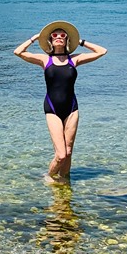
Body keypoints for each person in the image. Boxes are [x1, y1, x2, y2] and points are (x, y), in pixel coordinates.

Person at [14, 20, 107, 181]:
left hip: (72, 108)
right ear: (50, 40)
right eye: (54, 35)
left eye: (62, 35)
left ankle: (64, 182)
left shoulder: (74, 60)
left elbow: (102, 51)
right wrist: (35, 38)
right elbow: (18, 52)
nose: (58, 37)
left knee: (69, 151)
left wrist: (81, 42)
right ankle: (48, 178)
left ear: (66, 40)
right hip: (52, 109)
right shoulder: (45, 60)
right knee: (61, 154)